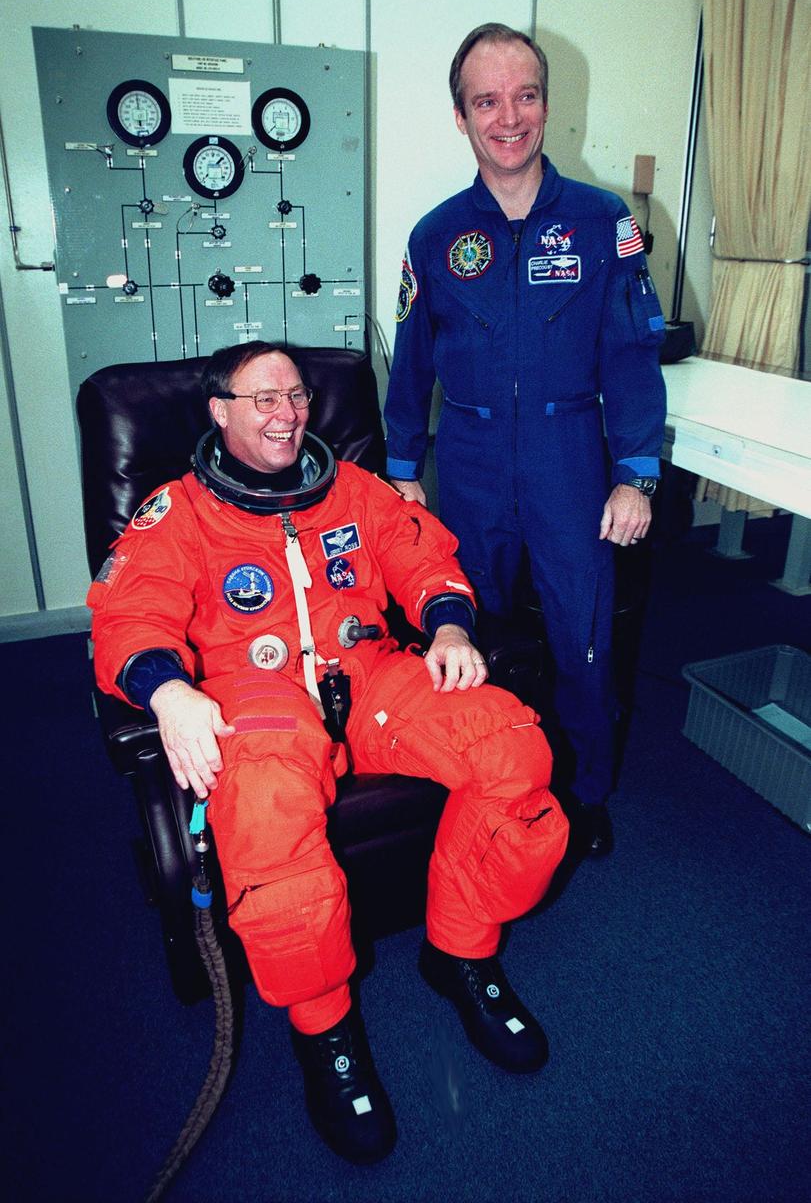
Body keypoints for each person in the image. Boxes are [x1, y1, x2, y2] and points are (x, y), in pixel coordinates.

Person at [88, 340, 569, 1166]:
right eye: (264, 398)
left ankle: (461, 952)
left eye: (298, 395)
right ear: (220, 411)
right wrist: (169, 694)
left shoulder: (353, 488)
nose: (288, 412)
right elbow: (130, 617)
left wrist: (448, 627)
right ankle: (325, 1032)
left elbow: (426, 559)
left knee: (512, 753)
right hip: (255, 699)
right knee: (271, 825)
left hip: (372, 675)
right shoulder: (178, 512)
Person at [384, 23, 667, 857]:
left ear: (547, 104)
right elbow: (411, 364)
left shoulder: (600, 220)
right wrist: (404, 472)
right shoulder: (434, 235)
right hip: (466, 463)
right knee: (464, 630)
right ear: (460, 117)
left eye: (525, 95)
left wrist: (635, 474)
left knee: (582, 637)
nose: (508, 117)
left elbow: (631, 352)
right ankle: (487, 784)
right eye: (486, 100)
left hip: (569, 458)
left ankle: (584, 792)